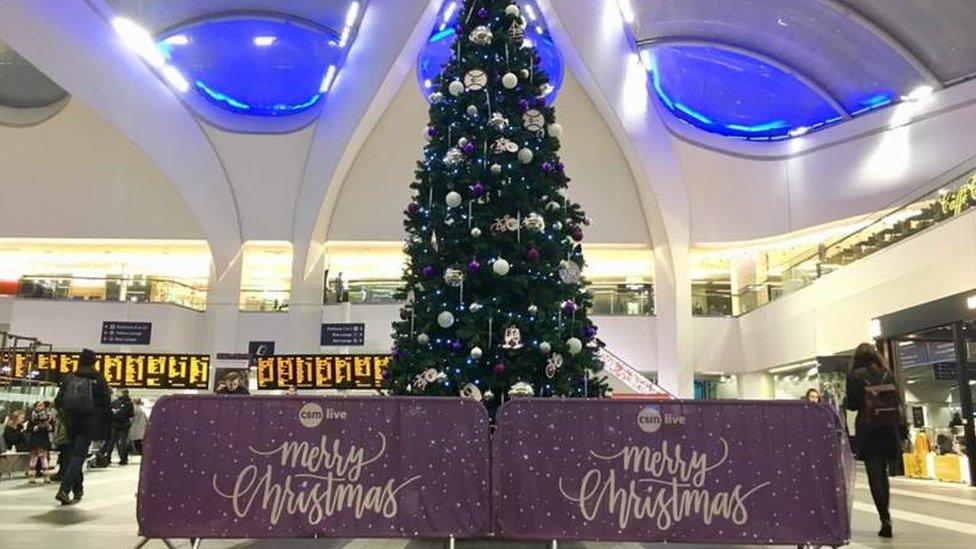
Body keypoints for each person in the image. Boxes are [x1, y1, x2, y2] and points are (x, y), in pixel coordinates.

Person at [845, 343, 905, 538]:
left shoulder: (855, 376)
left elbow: (853, 405)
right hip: (888, 428)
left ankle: (884, 517)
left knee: (874, 474)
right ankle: (886, 515)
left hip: (869, 428)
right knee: (884, 475)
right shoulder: (887, 373)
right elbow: (898, 400)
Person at [54, 348, 111, 505]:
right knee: (79, 456)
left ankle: (78, 489)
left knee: (74, 455)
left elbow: (58, 400)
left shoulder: (70, 377)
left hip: (71, 422)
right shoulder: (98, 378)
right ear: (94, 362)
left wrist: (65, 415)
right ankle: (64, 489)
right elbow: (106, 402)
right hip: (88, 422)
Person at [101, 389, 134, 465]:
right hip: (124, 425)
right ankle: (123, 459)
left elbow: (109, 413)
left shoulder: (115, 402)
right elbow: (131, 416)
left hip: (114, 425)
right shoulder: (129, 403)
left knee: (111, 442)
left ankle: (107, 458)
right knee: (122, 443)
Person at [25, 401, 53, 484]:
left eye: (42, 405)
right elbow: (28, 429)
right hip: (34, 440)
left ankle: (46, 477)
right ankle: (31, 477)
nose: (41, 407)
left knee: (44, 458)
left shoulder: (48, 416)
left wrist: (48, 426)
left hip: (43, 440)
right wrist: (36, 427)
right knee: (33, 458)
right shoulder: (32, 416)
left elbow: (52, 428)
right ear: (35, 406)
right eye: (39, 405)